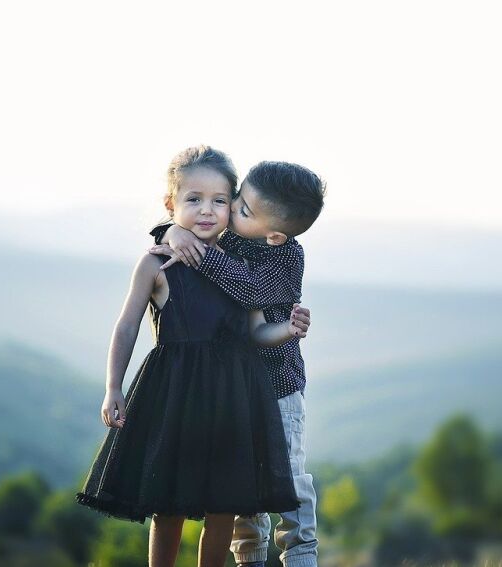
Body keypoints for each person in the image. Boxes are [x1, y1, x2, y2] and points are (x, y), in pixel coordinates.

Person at [76, 145, 311, 567]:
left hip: (232, 402)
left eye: (220, 201)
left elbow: (256, 330)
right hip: (175, 399)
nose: (207, 210)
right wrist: (113, 386)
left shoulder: (237, 263)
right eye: (194, 199)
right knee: (168, 505)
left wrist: (287, 331)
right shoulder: (156, 264)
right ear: (171, 204)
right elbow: (127, 325)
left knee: (224, 507)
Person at [149, 160, 326, 567]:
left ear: (274, 234)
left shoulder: (287, 259)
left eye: (241, 208)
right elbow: (191, 221)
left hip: (278, 387)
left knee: (287, 478)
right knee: (242, 485)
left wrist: (195, 252)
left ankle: (301, 556)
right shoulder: (234, 234)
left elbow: (249, 290)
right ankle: (250, 560)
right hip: (233, 388)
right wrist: (172, 232)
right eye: (237, 198)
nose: (229, 209)